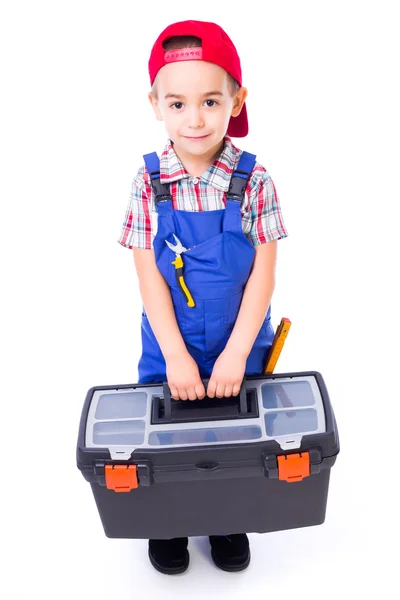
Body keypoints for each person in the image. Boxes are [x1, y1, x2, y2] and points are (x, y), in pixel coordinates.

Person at [118, 19, 288, 574]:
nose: (194, 119)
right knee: (167, 432)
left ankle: (225, 517)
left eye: (211, 101)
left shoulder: (254, 179)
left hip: (240, 339)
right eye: (177, 103)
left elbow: (263, 274)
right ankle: (166, 522)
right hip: (170, 340)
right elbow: (148, 279)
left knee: (233, 429)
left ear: (236, 98)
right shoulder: (148, 183)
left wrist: (239, 353)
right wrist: (174, 356)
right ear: (155, 103)